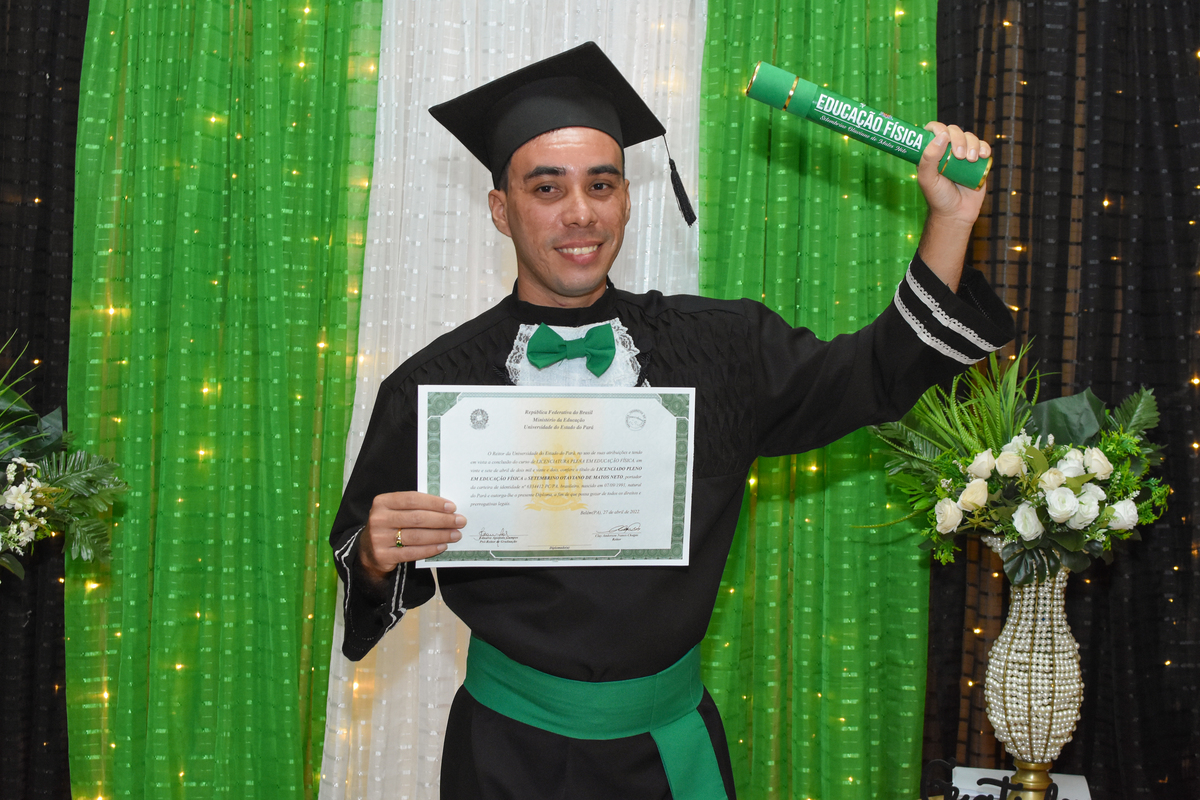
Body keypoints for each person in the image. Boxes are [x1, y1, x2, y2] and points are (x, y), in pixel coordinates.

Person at [329, 42, 1013, 800]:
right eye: (547, 188)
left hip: (668, 754)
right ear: (501, 209)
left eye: (601, 184)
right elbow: (361, 560)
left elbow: (878, 374)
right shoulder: (432, 385)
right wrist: (377, 556)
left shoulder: (722, 349)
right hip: (503, 756)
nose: (580, 212)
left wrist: (951, 220)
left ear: (626, 198)